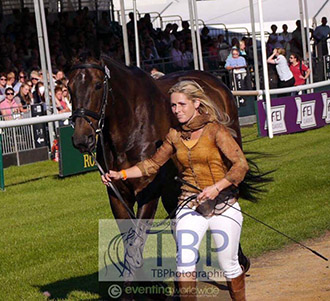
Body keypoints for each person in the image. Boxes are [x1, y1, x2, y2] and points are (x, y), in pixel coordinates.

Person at [102, 80, 249, 300]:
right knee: (184, 263)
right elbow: (151, 164)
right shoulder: (174, 135)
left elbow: (241, 165)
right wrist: (120, 174)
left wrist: (216, 187)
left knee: (228, 264)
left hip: (223, 204)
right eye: (173, 106)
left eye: (181, 105)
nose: (176, 110)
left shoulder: (215, 130)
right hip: (190, 204)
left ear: (196, 103)